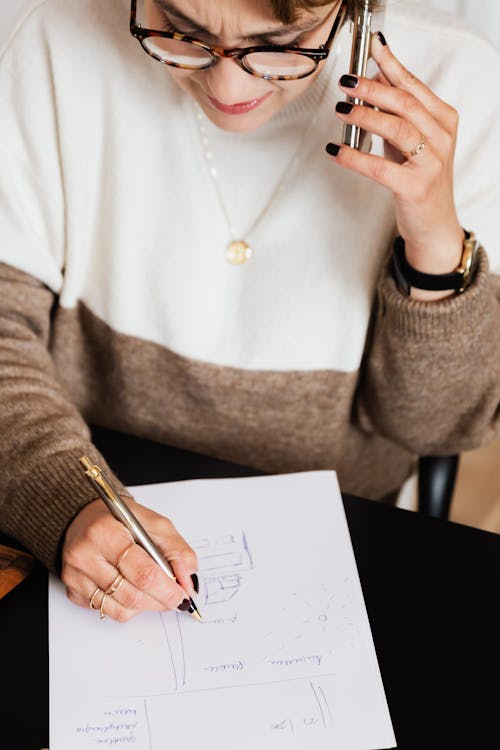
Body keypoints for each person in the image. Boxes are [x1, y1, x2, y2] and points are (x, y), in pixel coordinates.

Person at [1, 0, 499, 623]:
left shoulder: (460, 82)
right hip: (87, 487)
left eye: (283, 43)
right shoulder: (54, 36)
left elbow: (435, 428)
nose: (227, 85)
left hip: (345, 528)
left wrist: (433, 242)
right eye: (182, 32)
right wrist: (60, 496)